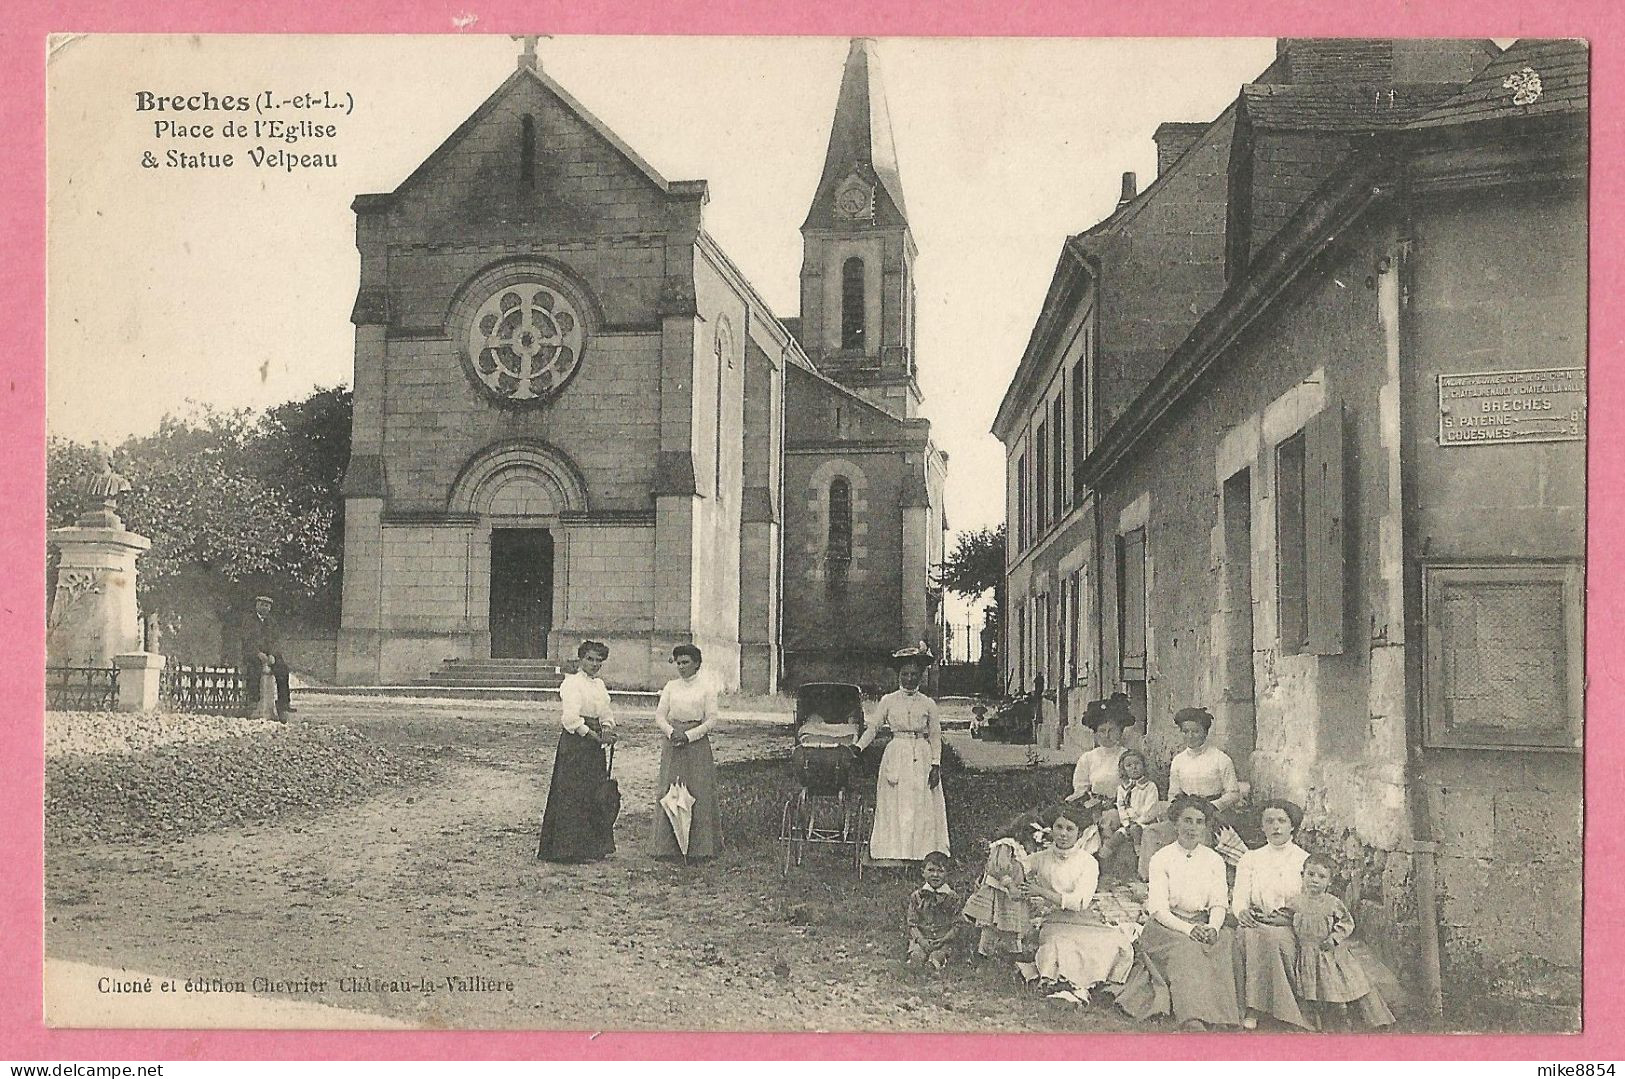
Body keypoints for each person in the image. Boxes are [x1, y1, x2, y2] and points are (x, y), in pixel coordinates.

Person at [1110, 795, 1243, 1031]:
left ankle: (1222, 1017)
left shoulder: (1214, 860)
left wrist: (1212, 927)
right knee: (1188, 949)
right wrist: (1190, 929)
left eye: (1199, 822)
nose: (1193, 827)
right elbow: (1158, 909)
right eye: (1187, 820)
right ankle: (1192, 1017)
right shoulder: (1162, 858)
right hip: (1167, 926)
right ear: (1175, 823)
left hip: (1204, 922)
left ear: (1206, 826)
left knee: (1224, 944)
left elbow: (1219, 902)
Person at [1020, 803, 1135, 1001]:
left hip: (1084, 920)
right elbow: (1016, 868)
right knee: (1059, 944)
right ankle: (1067, 986)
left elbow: (1079, 903)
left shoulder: (1088, 862)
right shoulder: (1040, 858)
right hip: (1054, 921)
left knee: (1113, 942)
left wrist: (1039, 891)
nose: (1063, 834)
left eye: (1070, 829)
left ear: (1080, 833)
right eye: (1059, 827)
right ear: (1052, 829)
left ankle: (1083, 988)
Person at [857, 646, 949, 864]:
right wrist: (857, 748)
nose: (909, 679)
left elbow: (935, 736)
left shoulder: (928, 704)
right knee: (896, 802)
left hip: (921, 755)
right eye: (905, 674)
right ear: (898, 675)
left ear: (920, 676)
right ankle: (894, 850)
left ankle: (921, 851)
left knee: (921, 802)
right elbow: (873, 728)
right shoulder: (888, 701)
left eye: (914, 675)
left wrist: (935, 764)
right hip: (897, 753)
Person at [1231, 799, 1312, 1030]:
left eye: (1281, 821)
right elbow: (1239, 897)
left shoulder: (1303, 860)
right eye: (1269, 821)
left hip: (1290, 924)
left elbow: (1310, 901)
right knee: (1253, 935)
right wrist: (1242, 912)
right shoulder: (1250, 858)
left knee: (1273, 938)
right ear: (1262, 826)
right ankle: (1253, 1007)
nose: (1276, 827)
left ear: (1292, 826)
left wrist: (1289, 917)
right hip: (1256, 920)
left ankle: (1278, 1008)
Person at [1291, 853, 1396, 1030]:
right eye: (1311, 874)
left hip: (1329, 952)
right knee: (1314, 988)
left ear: (1329, 882)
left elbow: (1347, 922)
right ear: (1302, 876)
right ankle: (1318, 1021)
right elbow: (1285, 917)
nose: (1315, 880)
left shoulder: (1332, 903)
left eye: (1321, 876)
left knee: (1337, 983)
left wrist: (1334, 938)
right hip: (1308, 953)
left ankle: (1345, 1016)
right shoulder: (1295, 902)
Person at [536, 640, 618, 863]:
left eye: (598, 660)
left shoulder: (599, 685)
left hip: (595, 746)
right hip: (576, 744)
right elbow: (571, 719)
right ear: (581, 659)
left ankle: (592, 847)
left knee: (594, 793)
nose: (594, 664)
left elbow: (605, 712)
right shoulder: (571, 683)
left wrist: (608, 729)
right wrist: (594, 736)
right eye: (590, 659)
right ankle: (568, 849)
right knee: (573, 793)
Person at [1137, 706, 1242, 874]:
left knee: (1199, 834)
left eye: (1196, 731)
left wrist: (1213, 806)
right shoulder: (1179, 760)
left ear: (1205, 732)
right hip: (1184, 810)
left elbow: (1234, 793)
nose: (1190, 736)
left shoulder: (1220, 759)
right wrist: (1174, 811)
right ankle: (1153, 878)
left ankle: (1196, 878)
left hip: (1211, 813)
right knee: (1152, 832)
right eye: (1185, 731)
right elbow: (1173, 793)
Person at [650, 644, 721, 860]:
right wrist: (672, 733)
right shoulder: (671, 686)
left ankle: (699, 848)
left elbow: (712, 719)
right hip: (673, 742)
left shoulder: (707, 688)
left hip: (696, 744)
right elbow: (660, 716)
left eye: (686, 662)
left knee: (697, 790)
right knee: (670, 789)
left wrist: (689, 736)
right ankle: (668, 847)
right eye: (678, 663)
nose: (681, 667)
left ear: (697, 663)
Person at [1098, 748, 1164, 878]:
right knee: (1117, 836)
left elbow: (1151, 809)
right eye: (1129, 765)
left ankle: (1139, 855)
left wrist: (1137, 822)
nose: (1134, 768)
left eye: (1137, 764)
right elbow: (1121, 807)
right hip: (1129, 825)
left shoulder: (1150, 786)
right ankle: (1103, 864)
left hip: (1146, 823)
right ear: (1123, 769)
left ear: (1143, 766)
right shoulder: (1122, 788)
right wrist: (1126, 823)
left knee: (1135, 830)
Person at [1069, 697, 1136, 808]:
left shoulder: (1128, 756)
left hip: (1122, 807)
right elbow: (1080, 790)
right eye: (1102, 731)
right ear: (1096, 734)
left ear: (1120, 732)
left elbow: (1136, 788)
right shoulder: (1087, 758)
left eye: (1111, 730)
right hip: (1092, 807)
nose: (1106, 735)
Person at [905, 851, 963, 969]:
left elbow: (957, 924)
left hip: (943, 940)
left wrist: (944, 939)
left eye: (940, 871)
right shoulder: (917, 896)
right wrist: (921, 940)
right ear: (923, 872)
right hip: (922, 938)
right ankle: (915, 963)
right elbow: (912, 924)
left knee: (938, 955)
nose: (935, 875)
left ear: (947, 874)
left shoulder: (952, 897)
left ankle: (934, 964)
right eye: (931, 870)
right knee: (917, 954)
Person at [239, 595, 292, 720]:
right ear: (257, 605)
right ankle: (253, 704)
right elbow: (247, 640)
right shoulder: (249, 621)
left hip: (270, 655)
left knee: (283, 670)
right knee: (254, 670)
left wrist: (273, 654)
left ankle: (283, 705)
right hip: (253, 654)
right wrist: (257, 653)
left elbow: (276, 640)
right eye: (262, 604)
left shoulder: (272, 622)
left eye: (267, 605)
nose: (265, 608)